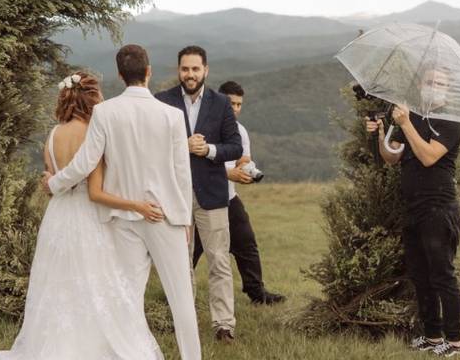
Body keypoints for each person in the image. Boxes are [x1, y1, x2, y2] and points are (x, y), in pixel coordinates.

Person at [0, 68, 170, 360]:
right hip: (90, 217)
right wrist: (137, 205)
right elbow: (96, 191)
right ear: (91, 100)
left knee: (59, 284)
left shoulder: (53, 135)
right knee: (96, 282)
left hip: (58, 217)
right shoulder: (95, 133)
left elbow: (50, 181)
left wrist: (51, 184)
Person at [44, 45, 202, 360]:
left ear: (119, 75)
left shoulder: (105, 112)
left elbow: (86, 163)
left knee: (128, 297)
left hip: (122, 217)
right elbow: (182, 173)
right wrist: (184, 220)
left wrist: (54, 183)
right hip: (165, 217)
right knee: (181, 299)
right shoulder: (172, 115)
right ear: (149, 71)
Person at [367, 68, 460, 357]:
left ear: (447, 91)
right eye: (430, 81)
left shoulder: (450, 122)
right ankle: (432, 336)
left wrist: (405, 123)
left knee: (442, 275)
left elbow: (428, 157)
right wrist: (381, 133)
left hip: (438, 208)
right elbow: (391, 157)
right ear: (420, 85)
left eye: (440, 83)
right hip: (412, 208)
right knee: (420, 275)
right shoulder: (409, 117)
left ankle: (455, 341)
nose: (434, 87)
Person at [155, 46, 244, 343]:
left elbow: (235, 147)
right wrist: (183, 145)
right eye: (185, 69)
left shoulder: (220, 104)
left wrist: (208, 150)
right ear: (178, 70)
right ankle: (185, 320)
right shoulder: (162, 102)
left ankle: (224, 325)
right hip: (175, 195)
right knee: (180, 262)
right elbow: (152, 146)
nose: (190, 74)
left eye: (195, 69)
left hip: (213, 195)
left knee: (219, 260)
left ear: (206, 70)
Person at [191, 80, 286, 305]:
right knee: (192, 251)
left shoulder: (240, 131)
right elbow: (192, 165)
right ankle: (176, 294)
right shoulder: (201, 127)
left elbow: (242, 160)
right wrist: (227, 174)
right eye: (231, 103)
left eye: (239, 104)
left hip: (228, 198)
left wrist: (246, 171)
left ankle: (257, 293)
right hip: (199, 199)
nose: (235, 108)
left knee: (247, 244)